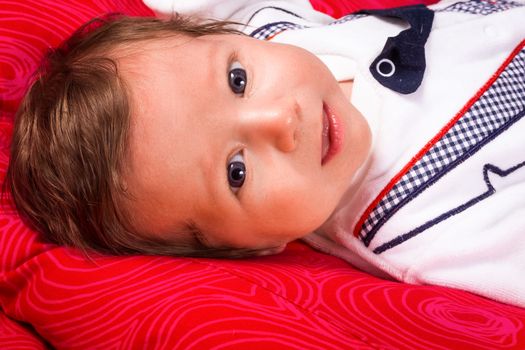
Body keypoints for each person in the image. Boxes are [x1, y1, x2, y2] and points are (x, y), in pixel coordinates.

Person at [5, 0, 525, 306]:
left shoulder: (271, 34)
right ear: (251, 250)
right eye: (236, 172)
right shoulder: (422, 231)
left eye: (237, 80)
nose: (279, 121)